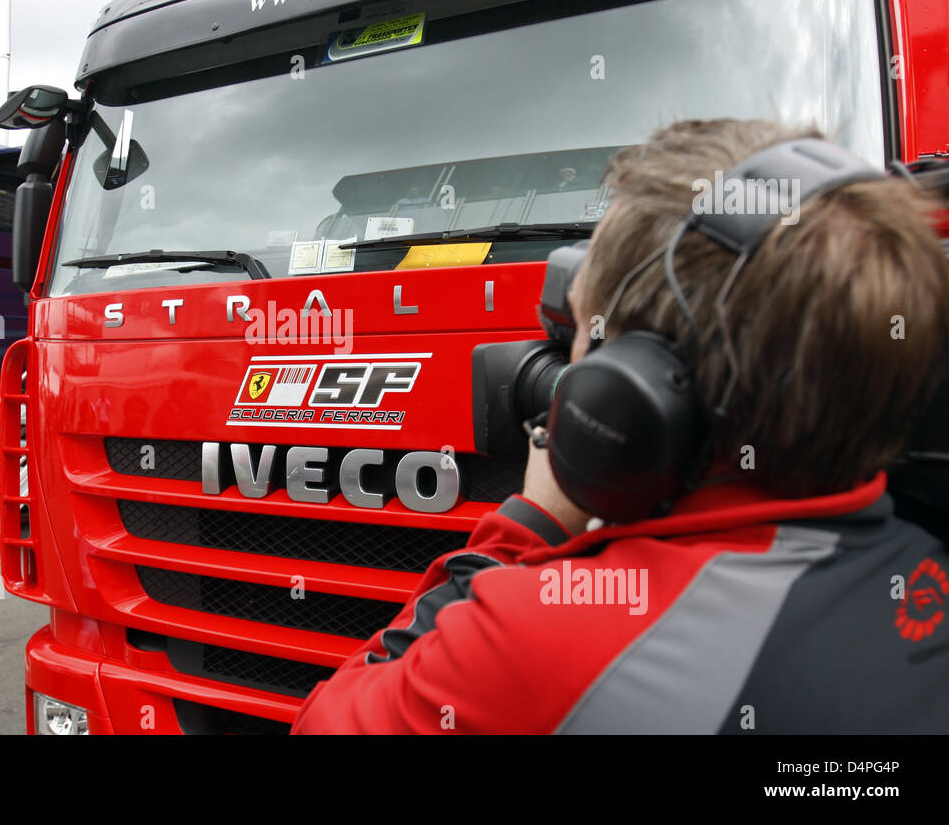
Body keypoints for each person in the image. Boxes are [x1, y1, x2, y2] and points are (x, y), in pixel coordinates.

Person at [291, 119, 949, 734]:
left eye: (581, 335)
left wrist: (522, 530)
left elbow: (324, 722)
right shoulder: (921, 564)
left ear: (628, 394)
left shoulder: (542, 638)